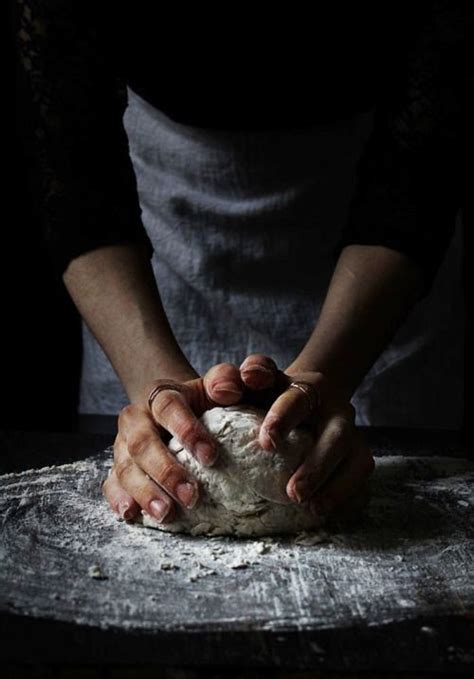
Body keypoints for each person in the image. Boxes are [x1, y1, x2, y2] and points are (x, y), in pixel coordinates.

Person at [14, 1, 472, 526]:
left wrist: (329, 373)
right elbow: (74, 171)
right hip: (149, 276)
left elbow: (421, 172)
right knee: (164, 478)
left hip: (376, 293)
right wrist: (154, 385)